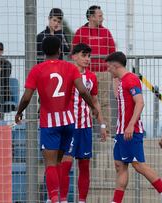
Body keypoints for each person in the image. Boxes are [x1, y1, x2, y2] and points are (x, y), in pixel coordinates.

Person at [14, 36, 98, 203]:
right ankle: (63, 199)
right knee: (60, 162)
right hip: (68, 122)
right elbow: (82, 90)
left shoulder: (37, 70)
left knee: (51, 164)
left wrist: (19, 112)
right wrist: (93, 106)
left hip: (50, 123)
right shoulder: (69, 67)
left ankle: (54, 199)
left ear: (42, 51)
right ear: (59, 50)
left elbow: (26, 97)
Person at [106, 52, 162, 203]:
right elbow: (120, 98)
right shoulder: (120, 80)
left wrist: (131, 125)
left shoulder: (130, 79)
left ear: (115, 65)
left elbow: (140, 102)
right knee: (120, 165)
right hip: (120, 131)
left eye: (109, 67)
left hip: (131, 131)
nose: (107, 70)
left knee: (138, 165)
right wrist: (114, 79)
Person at [59, 43, 107, 203]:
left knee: (84, 166)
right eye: (83, 55)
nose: (87, 59)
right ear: (74, 56)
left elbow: (95, 101)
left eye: (89, 56)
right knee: (65, 166)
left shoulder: (92, 77)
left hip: (85, 128)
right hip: (69, 128)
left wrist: (102, 125)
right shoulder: (65, 74)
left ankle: (82, 200)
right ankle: (64, 200)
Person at [72, 5, 116, 134]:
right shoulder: (81, 32)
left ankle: (105, 131)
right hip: (85, 73)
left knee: (104, 102)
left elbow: (112, 52)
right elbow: (74, 52)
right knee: (86, 101)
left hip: (103, 73)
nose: (102, 18)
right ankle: (87, 129)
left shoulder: (106, 32)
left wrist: (111, 72)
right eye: (100, 15)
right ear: (91, 17)